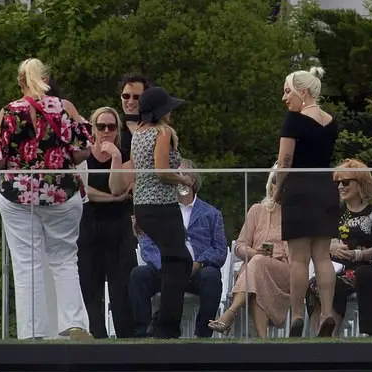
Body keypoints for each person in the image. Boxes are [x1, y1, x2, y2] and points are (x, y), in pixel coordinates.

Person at [0, 58, 93, 340]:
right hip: (60, 192)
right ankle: (74, 324)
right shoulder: (65, 108)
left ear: (21, 81)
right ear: (45, 78)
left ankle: (32, 332)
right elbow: (83, 151)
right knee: (65, 258)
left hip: (18, 194)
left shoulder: (9, 112)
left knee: (26, 262)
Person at [109, 86, 194, 339]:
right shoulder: (163, 132)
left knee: (172, 261)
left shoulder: (138, 134)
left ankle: (164, 322)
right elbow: (161, 171)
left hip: (144, 206)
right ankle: (166, 324)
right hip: (162, 205)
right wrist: (184, 179)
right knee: (180, 261)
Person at [274, 66, 339, 337]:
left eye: (288, 92)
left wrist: (276, 193)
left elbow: (285, 161)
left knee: (298, 259)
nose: (284, 99)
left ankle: (298, 315)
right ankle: (326, 312)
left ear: (304, 92)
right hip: (325, 188)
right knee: (322, 256)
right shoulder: (331, 121)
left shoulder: (294, 120)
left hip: (299, 189)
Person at [129, 158, 227, 338]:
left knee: (212, 276)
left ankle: (202, 335)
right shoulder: (160, 211)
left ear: (193, 180)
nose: (178, 180)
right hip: (165, 270)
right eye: (174, 175)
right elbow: (147, 244)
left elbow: (220, 249)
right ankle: (142, 334)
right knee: (138, 275)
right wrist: (168, 266)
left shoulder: (212, 214)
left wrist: (198, 263)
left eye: (182, 175)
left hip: (196, 273)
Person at [209, 163, 292, 338]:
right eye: (277, 180)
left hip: (285, 271)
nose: (280, 186)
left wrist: (275, 255)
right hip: (256, 269)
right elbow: (240, 246)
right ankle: (263, 341)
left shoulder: (296, 214)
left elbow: (298, 254)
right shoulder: (257, 210)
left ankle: (230, 313)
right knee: (256, 273)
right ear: (271, 184)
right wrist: (256, 253)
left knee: (255, 268)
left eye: (286, 182)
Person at [77, 106, 136, 338]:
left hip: (119, 226)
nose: (106, 131)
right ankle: (97, 338)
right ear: (93, 128)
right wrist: (112, 198)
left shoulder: (124, 155)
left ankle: (126, 338)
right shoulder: (84, 156)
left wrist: (115, 157)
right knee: (90, 287)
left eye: (111, 126)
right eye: (101, 126)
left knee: (121, 286)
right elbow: (85, 190)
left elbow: (117, 185)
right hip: (89, 224)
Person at [306, 159, 372, 336]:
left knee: (335, 285)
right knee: (312, 285)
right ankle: (319, 335)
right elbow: (317, 241)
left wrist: (357, 254)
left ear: (361, 183)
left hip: (359, 270)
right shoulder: (333, 213)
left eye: (345, 182)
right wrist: (330, 247)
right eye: (337, 183)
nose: (340, 187)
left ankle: (329, 334)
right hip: (330, 267)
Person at [118, 74, 150, 158]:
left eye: (137, 97)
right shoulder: (110, 127)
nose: (131, 102)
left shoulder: (158, 128)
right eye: (126, 96)